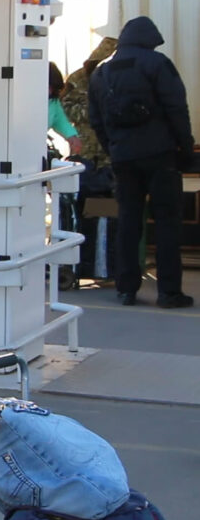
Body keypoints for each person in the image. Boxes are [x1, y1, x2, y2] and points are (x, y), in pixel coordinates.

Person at [88, 16, 194, 309]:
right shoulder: (158, 64)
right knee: (167, 223)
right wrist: (185, 149)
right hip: (160, 156)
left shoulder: (101, 73)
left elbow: (95, 119)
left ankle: (126, 289)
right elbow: (176, 108)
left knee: (128, 222)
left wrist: (114, 148)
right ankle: (169, 292)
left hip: (123, 158)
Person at [61, 37, 117, 170]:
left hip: (111, 144)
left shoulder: (119, 77)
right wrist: (92, 111)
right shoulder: (78, 78)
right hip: (85, 145)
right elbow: (63, 107)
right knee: (83, 180)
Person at [48, 62, 83, 156]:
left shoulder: (52, 101)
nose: (50, 92)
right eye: (48, 86)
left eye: (53, 88)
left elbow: (59, 120)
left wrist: (72, 137)